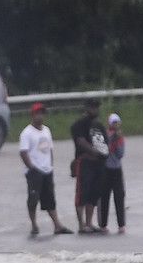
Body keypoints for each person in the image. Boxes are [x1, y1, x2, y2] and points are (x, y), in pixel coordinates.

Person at [18, 102, 72, 237]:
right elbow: (23, 152)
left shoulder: (46, 130)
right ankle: (34, 224)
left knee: (50, 199)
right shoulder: (27, 133)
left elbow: (50, 149)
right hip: (35, 170)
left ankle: (57, 225)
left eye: (42, 113)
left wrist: (51, 165)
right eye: (37, 113)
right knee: (33, 198)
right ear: (32, 115)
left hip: (47, 170)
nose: (40, 116)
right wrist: (31, 167)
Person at [70, 98, 107, 234]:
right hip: (84, 161)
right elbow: (80, 142)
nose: (95, 110)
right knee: (82, 193)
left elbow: (104, 142)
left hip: (98, 162)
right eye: (92, 107)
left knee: (93, 193)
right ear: (87, 108)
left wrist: (103, 153)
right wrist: (94, 151)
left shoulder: (98, 125)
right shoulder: (78, 125)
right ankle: (81, 225)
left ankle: (89, 223)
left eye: (97, 107)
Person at [98, 112, 126, 234]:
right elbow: (103, 151)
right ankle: (103, 224)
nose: (115, 125)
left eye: (117, 122)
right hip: (106, 168)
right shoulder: (105, 135)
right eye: (113, 123)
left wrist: (117, 141)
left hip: (116, 168)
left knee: (119, 196)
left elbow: (120, 154)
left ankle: (121, 224)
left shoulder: (120, 137)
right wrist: (111, 140)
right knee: (104, 197)